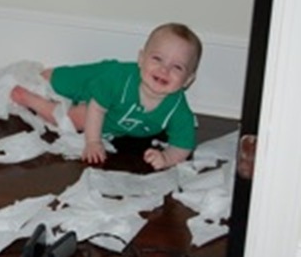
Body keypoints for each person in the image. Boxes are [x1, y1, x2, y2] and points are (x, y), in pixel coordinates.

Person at [10, 22, 202, 170]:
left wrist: (167, 158)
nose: (164, 69)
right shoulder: (118, 80)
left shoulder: (178, 111)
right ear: (141, 59)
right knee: (56, 79)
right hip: (102, 81)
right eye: (157, 59)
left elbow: (183, 145)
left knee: (76, 119)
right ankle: (47, 77)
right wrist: (93, 142)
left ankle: (33, 101)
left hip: (112, 117)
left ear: (188, 80)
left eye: (177, 67)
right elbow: (97, 107)